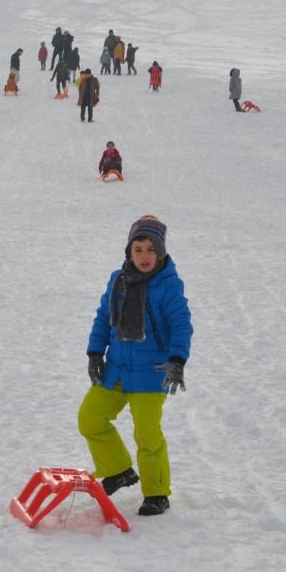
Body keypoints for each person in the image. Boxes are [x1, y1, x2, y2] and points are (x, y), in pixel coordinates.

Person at [79, 215, 191, 517]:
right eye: (138, 249)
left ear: (161, 252)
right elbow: (103, 318)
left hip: (151, 374)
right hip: (116, 368)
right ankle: (119, 470)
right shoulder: (118, 279)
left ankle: (157, 493)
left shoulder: (168, 286)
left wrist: (177, 360)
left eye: (151, 249)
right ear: (129, 252)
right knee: (90, 419)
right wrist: (94, 353)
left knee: (147, 435)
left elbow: (181, 325)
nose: (144, 256)